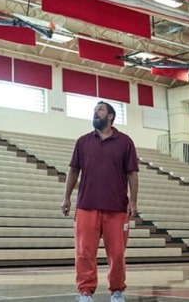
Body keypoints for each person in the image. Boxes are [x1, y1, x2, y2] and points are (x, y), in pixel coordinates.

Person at [61, 101, 139, 302]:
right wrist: (66, 197)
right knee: (84, 253)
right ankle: (85, 292)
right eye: (94, 111)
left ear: (111, 116)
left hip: (117, 208)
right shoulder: (83, 142)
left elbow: (132, 173)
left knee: (117, 255)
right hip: (86, 206)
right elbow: (73, 171)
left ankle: (117, 291)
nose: (96, 113)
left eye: (100, 110)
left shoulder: (125, 142)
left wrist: (133, 201)